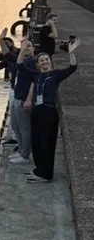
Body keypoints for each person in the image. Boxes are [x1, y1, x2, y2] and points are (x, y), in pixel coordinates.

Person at [23, 37, 79, 182]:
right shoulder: (37, 76)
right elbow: (22, 65)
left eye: (46, 59)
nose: (45, 62)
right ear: (38, 64)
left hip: (48, 113)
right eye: (42, 61)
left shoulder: (55, 75)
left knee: (47, 143)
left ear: (50, 61)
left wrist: (71, 53)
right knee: (36, 142)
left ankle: (46, 174)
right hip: (36, 112)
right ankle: (39, 170)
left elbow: (73, 67)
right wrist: (26, 48)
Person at [7, 37, 36, 164]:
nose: (26, 48)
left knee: (25, 128)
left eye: (29, 46)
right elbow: (9, 56)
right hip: (16, 96)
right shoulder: (22, 60)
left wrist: (29, 99)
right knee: (14, 125)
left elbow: (34, 83)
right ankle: (21, 149)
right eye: (23, 46)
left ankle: (25, 155)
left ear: (33, 49)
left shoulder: (32, 62)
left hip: (24, 99)